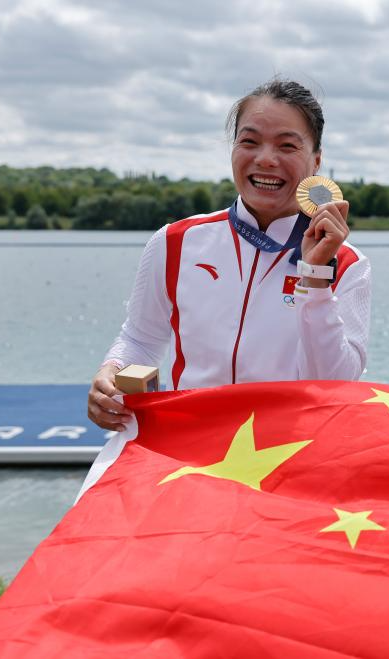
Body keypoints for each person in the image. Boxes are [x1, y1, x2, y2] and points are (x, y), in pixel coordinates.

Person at [87, 78, 371, 431]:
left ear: (316, 162)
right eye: (249, 141)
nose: (265, 159)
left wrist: (315, 277)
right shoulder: (175, 241)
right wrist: (112, 371)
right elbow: (141, 339)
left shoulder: (347, 264)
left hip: (290, 450)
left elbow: (334, 385)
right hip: (189, 444)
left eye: (287, 146)